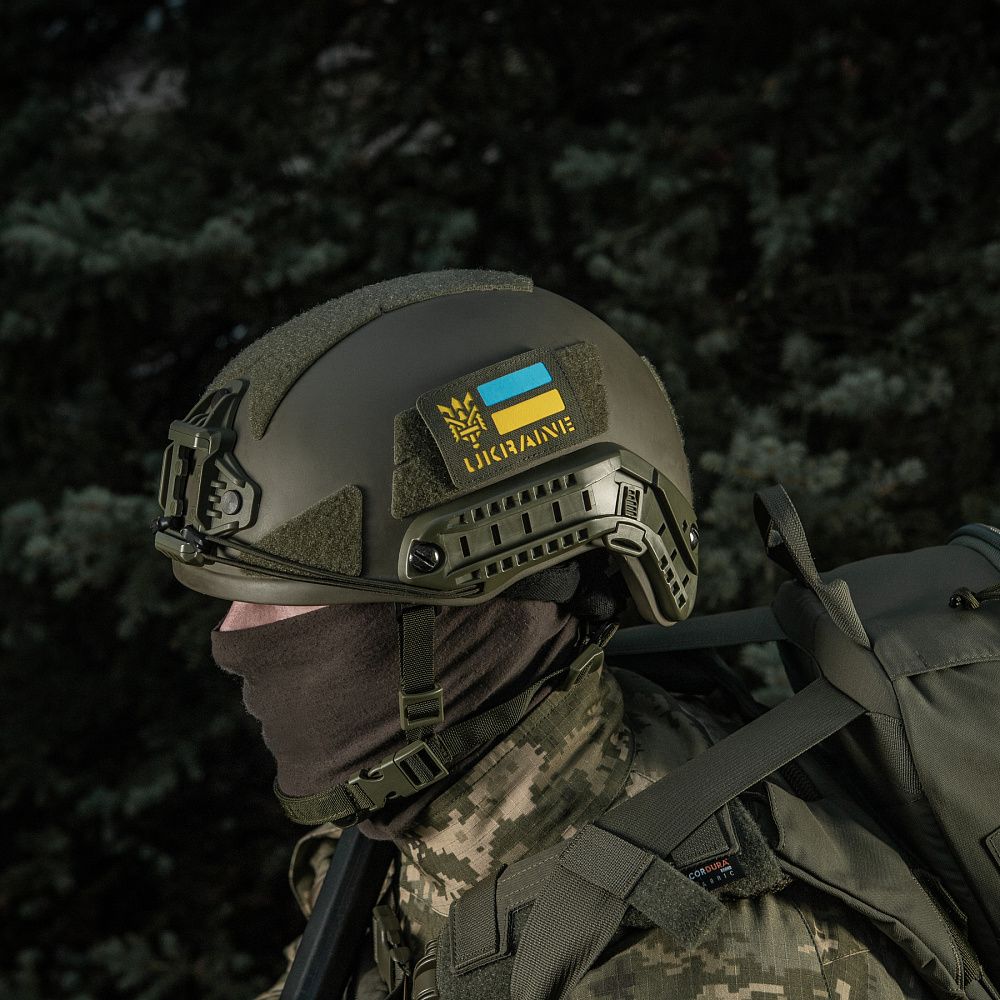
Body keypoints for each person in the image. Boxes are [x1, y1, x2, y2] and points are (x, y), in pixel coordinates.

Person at [153, 270, 938, 999]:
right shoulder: (411, 820)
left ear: (481, 596)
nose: (232, 638)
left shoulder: (703, 960)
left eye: (292, 595)